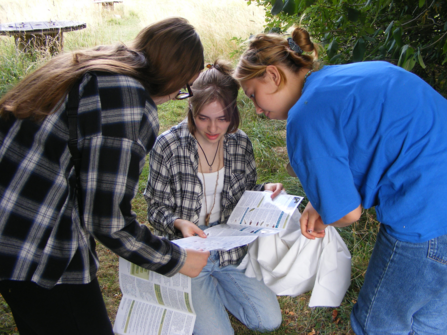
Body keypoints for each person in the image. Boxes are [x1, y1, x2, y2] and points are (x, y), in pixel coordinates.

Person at [0, 17, 210, 335]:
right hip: (31, 245)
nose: (176, 95)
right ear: (174, 76)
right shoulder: (128, 100)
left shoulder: (96, 63)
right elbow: (107, 219)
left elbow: (79, 179)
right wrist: (175, 259)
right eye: (183, 88)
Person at [234, 27, 447, 335]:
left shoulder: (305, 116)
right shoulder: (346, 77)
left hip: (426, 216)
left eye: (253, 95)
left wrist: (324, 215)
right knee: (430, 321)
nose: (257, 109)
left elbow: (347, 213)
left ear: (273, 75)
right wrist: (322, 203)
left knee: (376, 324)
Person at [144, 59, 283, 335]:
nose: (212, 128)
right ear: (191, 109)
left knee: (268, 321)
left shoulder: (240, 143)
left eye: (222, 119)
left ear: (233, 115)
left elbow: (246, 195)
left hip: (229, 246)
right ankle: (199, 290)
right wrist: (178, 223)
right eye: (203, 117)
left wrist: (265, 191)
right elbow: (155, 208)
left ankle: (216, 286)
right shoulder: (168, 145)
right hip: (189, 251)